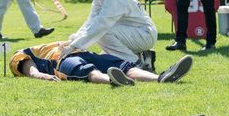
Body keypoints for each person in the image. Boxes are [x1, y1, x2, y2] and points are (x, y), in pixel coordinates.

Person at [59, 0, 158, 72]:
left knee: (102, 33)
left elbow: (101, 25)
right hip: (136, 33)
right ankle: (145, 58)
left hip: (145, 34)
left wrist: (73, 46)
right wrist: (74, 40)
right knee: (106, 56)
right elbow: (91, 21)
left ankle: (135, 63)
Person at [10, 42, 193, 86]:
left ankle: (160, 78)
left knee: (124, 65)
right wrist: (39, 75)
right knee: (86, 71)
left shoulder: (37, 49)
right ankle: (112, 80)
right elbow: (25, 64)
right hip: (62, 60)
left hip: (86, 52)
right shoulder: (24, 55)